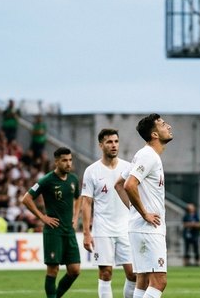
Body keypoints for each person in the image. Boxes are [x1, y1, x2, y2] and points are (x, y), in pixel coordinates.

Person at [123, 113, 174, 298]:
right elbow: (128, 185)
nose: (168, 126)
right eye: (162, 124)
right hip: (148, 228)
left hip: (141, 228)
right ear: (154, 134)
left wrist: (133, 212)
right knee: (159, 282)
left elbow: (119, 184)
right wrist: (143, 213)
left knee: (143, 281)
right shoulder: (148, 155)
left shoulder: (142, 154)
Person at [81, 128, 136, 298]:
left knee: (133, 274)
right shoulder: (91, 171)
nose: (113, 145)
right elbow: (86, 202)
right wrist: (86, 233)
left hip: (126, 228)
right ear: (101, 145)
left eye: (116, 141)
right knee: (106, 273)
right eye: (109, 142)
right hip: (103, 229)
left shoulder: (128, 168)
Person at [22, 147, 82, 298]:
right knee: (53, 270)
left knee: (75, 270)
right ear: (56, 162)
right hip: (53, 231)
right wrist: (42, 217)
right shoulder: (47, 180)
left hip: (69, 231)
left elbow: (78, 197)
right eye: (64, 160)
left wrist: (76, 216)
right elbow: (26, 199)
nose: (68, 164)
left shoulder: (73, 179)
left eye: (70, 160)